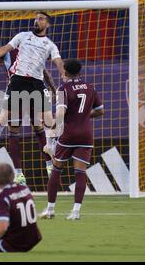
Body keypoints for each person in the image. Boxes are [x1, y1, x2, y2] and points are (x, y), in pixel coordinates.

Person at [0, 12, 65, 185]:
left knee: (45, 122)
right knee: (7, 122)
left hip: (36, 85)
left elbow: (52, 66)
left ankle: (50, 159)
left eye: (41, 19)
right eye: (35, 18)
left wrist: (60, 78)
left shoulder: (48, 45)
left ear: (47, 24)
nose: (36, 21)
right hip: (18, 82)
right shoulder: (20, 38)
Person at [40, 59, 104, 220]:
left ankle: (50, 210)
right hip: (86, 134)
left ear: (65, 73)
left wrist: (55, 127)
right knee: (80, 172)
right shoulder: (91, 87)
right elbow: (100, 111)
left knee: (56, 169)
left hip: (68, 134)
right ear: (80, 73)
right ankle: (76, 212)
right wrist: (81, 116)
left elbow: (61, 113)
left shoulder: (63, 88)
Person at [0, 48, 57, 177]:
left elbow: (44, 72)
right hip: (17, 90)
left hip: (35, 90)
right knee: (13, 129)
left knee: (41, 126)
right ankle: (18, 173)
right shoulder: (10, 51)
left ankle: (49, 165)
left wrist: (53, 88)